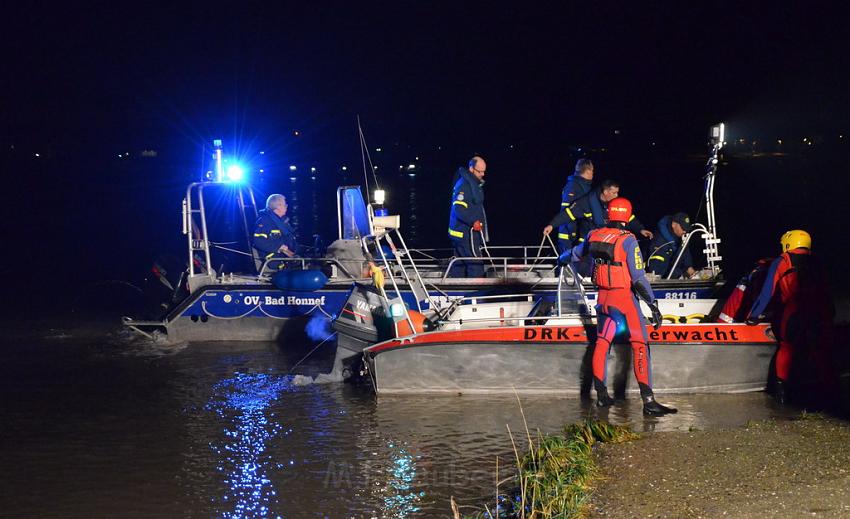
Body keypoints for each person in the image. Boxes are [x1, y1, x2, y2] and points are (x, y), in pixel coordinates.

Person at [571, 197, 677, 416]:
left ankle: (601, 396)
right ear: (627, 217)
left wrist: (561, 259)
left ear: (609, 214)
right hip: (625, 301)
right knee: (640, 344)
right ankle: (649, 402)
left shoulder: (594, 235)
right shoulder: (628, 241)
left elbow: (574, 254)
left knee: (602, 343)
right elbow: (638, 278)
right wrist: (653, 305)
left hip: (603, 299)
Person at [746, 230, 836, 404]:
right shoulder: (817, 261)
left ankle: (781, 393)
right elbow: (826, 289)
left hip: (795, 309)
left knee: (787, 347)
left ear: (789, 243)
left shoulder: (782, 261)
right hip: (819, 309)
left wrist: (753, 316)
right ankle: (831, 393)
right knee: (820, 349)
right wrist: (830, 312)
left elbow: (767, 292)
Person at [544, 179, 652, 274]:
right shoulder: (586, 202)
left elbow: (628, 217)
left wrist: (640, 229)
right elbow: (567, 214)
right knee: (585, 270)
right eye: (614, 193)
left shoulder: (615, 203)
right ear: (605, 192)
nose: (617, 196)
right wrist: (551, 225)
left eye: (617, 193)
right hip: (588, 245)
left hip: (608, 245)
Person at [448, 156, 488, 277]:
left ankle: (457, 292)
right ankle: (477, 293)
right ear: (471, 169)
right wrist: (473, 221)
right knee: (476, 265)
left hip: (464, 234)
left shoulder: (472, 183)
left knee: (459, 265)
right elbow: (458, 208)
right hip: (466, 234)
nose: (482, 174)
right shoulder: (464, 185)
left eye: (484, 171)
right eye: (479, 171)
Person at [554, 159, 595, 252]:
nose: (593, 173)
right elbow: (566, 210)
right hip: (569, 235)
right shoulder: (573, 186)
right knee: (569, 263)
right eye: (592, 171)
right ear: (588, 171)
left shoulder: (584, 186)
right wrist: (572, 233)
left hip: (581, 233)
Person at [252, 194, 298, 271]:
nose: (286, 207)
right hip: (274, 264)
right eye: (285, 205)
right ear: (278, 206)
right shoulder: (264, 221)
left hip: (289, 262)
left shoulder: (284, 223)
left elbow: (291, 242)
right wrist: (279, 247)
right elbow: (258, 241)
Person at [646, 213, 696, 279]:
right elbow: (656, 270)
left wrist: (690, 269)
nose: (685, 231)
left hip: (675, 275)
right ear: (674, 225)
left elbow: (685, 253)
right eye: (683, 228)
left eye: (686, 228)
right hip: (661, 281)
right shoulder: (660, 241)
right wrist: (681, 273)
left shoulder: (681, 237)